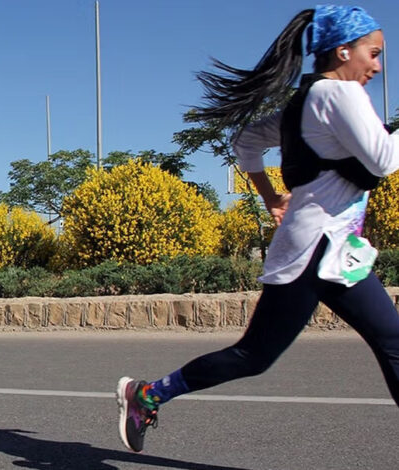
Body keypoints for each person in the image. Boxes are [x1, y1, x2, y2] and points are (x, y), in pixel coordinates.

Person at [116, 5, 399, 453]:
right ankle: (147, 394)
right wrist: (269, 195)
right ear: (343, 51)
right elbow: (384, 159)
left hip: (338, 254)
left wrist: (269, 194)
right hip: (311, 253)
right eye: (374, 53)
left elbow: (245, 141)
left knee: (393, 340)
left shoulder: (304, 104)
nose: (378, 66)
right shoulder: (337, 95)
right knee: (254, 356)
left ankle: (149, 394)